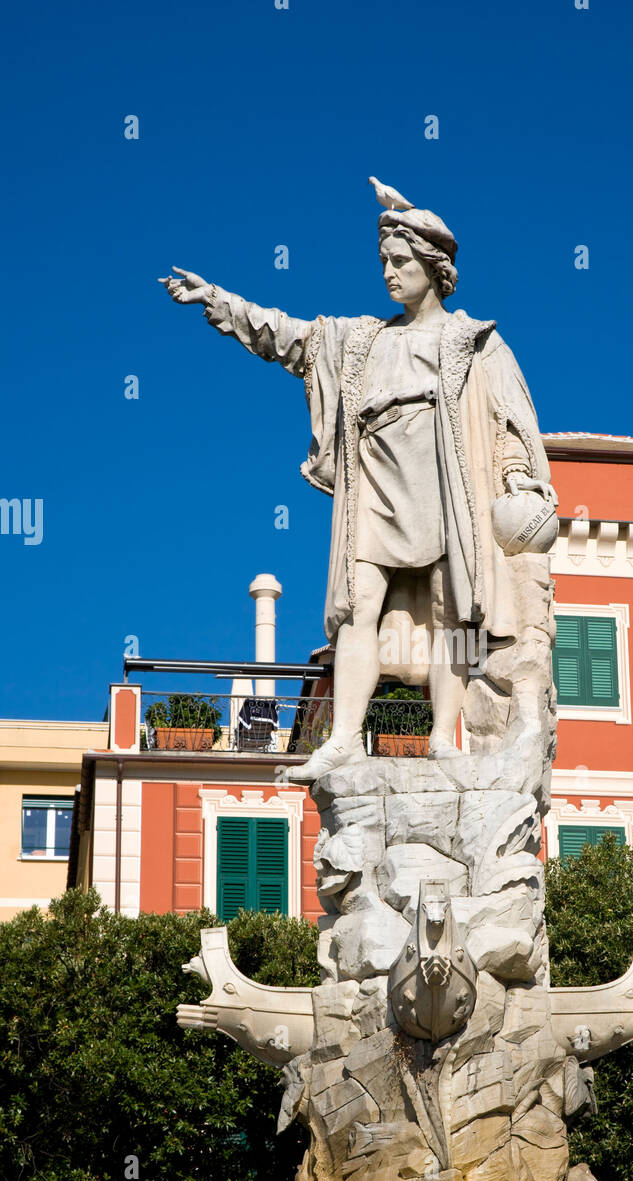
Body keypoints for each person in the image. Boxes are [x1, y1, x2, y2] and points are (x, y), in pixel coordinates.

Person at [161, 180, 557, 781]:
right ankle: (346, 736)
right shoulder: (362, 339)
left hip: (445, 483)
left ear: (433, 266)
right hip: (375, 479)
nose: (390, 274)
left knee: (452, 613)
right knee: (358, 606)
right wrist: (218, 301)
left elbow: (509, 423)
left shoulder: (475, 342)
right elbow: (286, 336)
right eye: (384, 264)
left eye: (400, 263)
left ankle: (443, 740)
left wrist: (520, 480)